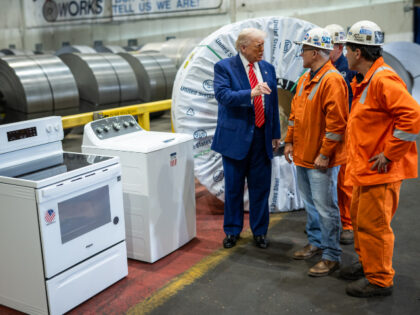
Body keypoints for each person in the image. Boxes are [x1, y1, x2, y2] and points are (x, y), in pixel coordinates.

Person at [341, 20, 420, 297]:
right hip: (365, 169)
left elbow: (412, 118)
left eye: (347, 50)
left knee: (375, 226)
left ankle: (379, 279)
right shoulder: (367, 80)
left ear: (358, 53)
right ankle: (368, 264)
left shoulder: (383, 80)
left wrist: (390, 153)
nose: (345, 55)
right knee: (361, 221)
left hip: (380, 170)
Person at [284, 27, 348, 276]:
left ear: (315, 52)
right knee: (311, 204)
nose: (301, 54)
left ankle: (331, 256)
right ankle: (316, 243)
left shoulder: (332, 80)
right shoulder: (305, 78)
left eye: (304, 50)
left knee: (325, 207)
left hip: (321, 159)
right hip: (303, 154)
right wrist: (289, 141)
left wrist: (325, 153)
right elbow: (294, 114)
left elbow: (337, 124)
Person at [211, 28, 281, 249]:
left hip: (262, 139)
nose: (262, 49)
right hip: (235, 140)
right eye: (257, 45)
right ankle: (232, 231)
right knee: (233, 188)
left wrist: (275, 134)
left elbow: (273, 104)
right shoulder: (224, 67)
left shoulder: (268, 69)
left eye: (263, 45)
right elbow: (223, 96)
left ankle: (260, 232)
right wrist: (251, 92)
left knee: (261, 189)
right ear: (243, 47)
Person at [325, 24, 357, 245]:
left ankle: (348, 224)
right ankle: (331, 222)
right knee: (328, 182)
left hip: (347, 134)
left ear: (338, 46)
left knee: (345, 182)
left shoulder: (351, 69)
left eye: (330, 47)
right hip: (329, 133)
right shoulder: (323, 68)